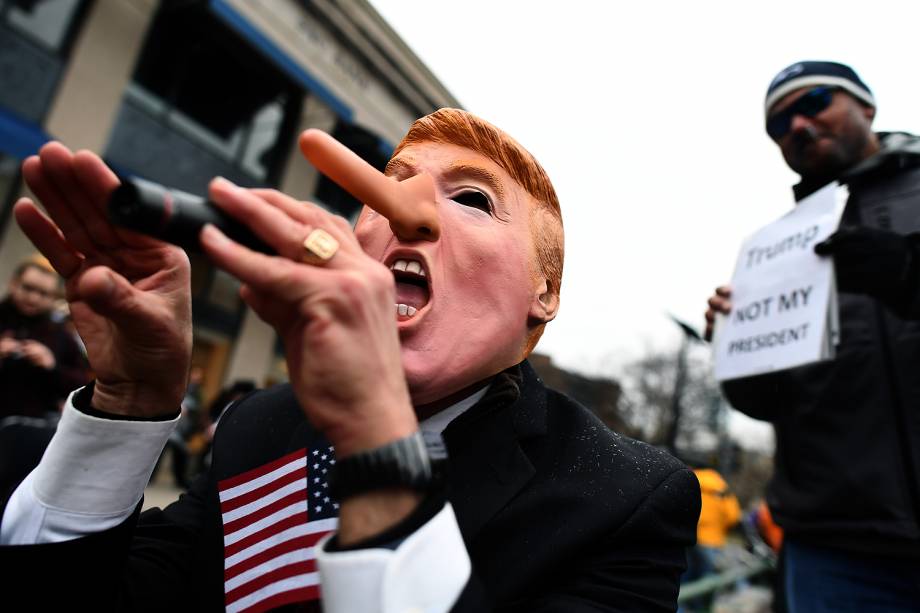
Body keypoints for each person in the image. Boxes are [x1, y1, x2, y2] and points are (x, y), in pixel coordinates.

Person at [0, 109, 700, 611]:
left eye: (471, 198)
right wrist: (130, 397)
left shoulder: (625, 497)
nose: (404, 209)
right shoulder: (259, 426)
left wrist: (375, 437)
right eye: (382, 184)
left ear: (544, 292)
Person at [705, 62, 920, 610]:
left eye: (815, 101)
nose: (797, 126)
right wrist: (734, 345)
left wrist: (907, 273)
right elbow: (766, 402)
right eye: (779, 125)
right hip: (838, 552)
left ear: (866, 105)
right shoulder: (778, 246)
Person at [0, 257, 89, 420]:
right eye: (28, 288)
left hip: (29, 427)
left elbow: (81, 385)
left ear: (54, 297)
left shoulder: (61, 335)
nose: (33, 298)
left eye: (43, 293)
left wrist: (52, 365)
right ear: (13, 283)